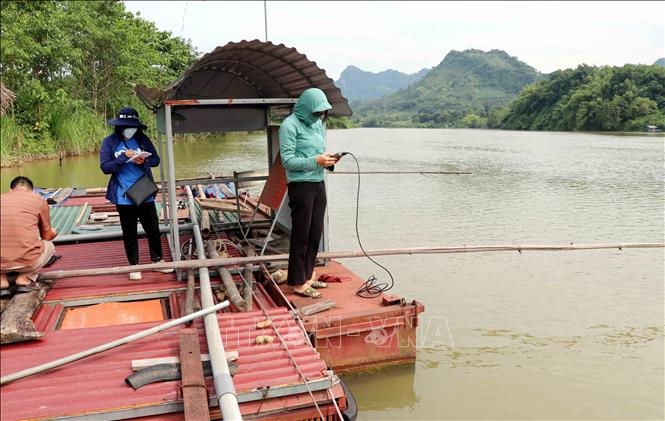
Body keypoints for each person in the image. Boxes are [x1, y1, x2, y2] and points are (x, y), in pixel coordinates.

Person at [279, 88, 339, 298]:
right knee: (301, 234)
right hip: (300, 185)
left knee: (315, 232)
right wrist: (315, 160)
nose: (320, 116)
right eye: (316, 112)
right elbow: (287, 161)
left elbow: (319, 154)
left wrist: (328, 161)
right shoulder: (289, 125)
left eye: (322, 113)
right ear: (306, 107)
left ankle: (308, 275)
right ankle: (297, 282)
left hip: (318, 183)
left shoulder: (318, 125)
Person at [100, 107, 173, 280]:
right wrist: (123, 158)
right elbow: (105, 167)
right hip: (123, 195)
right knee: (130, 232)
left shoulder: (142, 139)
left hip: (144, 191)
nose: (131, 129)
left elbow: (155, 159)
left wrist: (144, 160)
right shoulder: (109, 142)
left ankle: (157, 261)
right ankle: (134, 265)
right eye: (127, 126)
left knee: (153, 228)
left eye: (133, 126)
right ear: (119, 126)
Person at [1, 176, 57, 293]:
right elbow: (46, 236)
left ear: (11, 190)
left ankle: (2, 280)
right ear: (32, 190)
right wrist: (54, 232)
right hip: (27, 261)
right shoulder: (38, 199)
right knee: (49, 245)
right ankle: (25, 277)